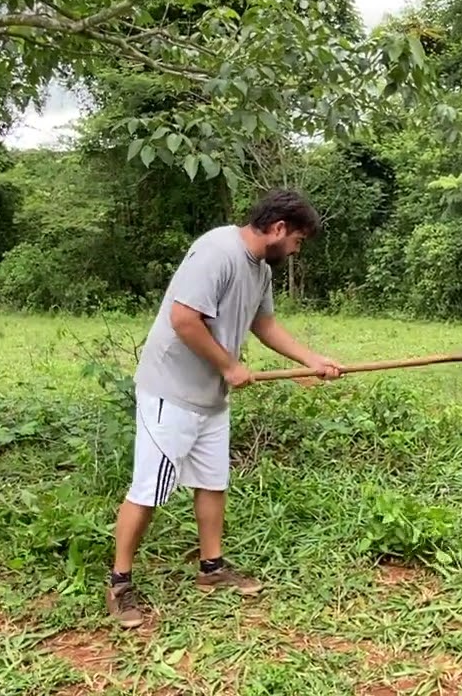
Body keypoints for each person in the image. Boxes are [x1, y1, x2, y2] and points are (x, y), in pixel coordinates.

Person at [106, 188, 342, 628]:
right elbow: (183, 319)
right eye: (297, 240)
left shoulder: (260, 269)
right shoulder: (217, 252)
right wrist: (229, 366)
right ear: (278, 228)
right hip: (172, 390)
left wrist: (310, 360)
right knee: (149, 489)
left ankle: (211, 569)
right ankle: (119, 583)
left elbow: (264, 324)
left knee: (212, 481)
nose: (296, 249)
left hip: (211, 396)